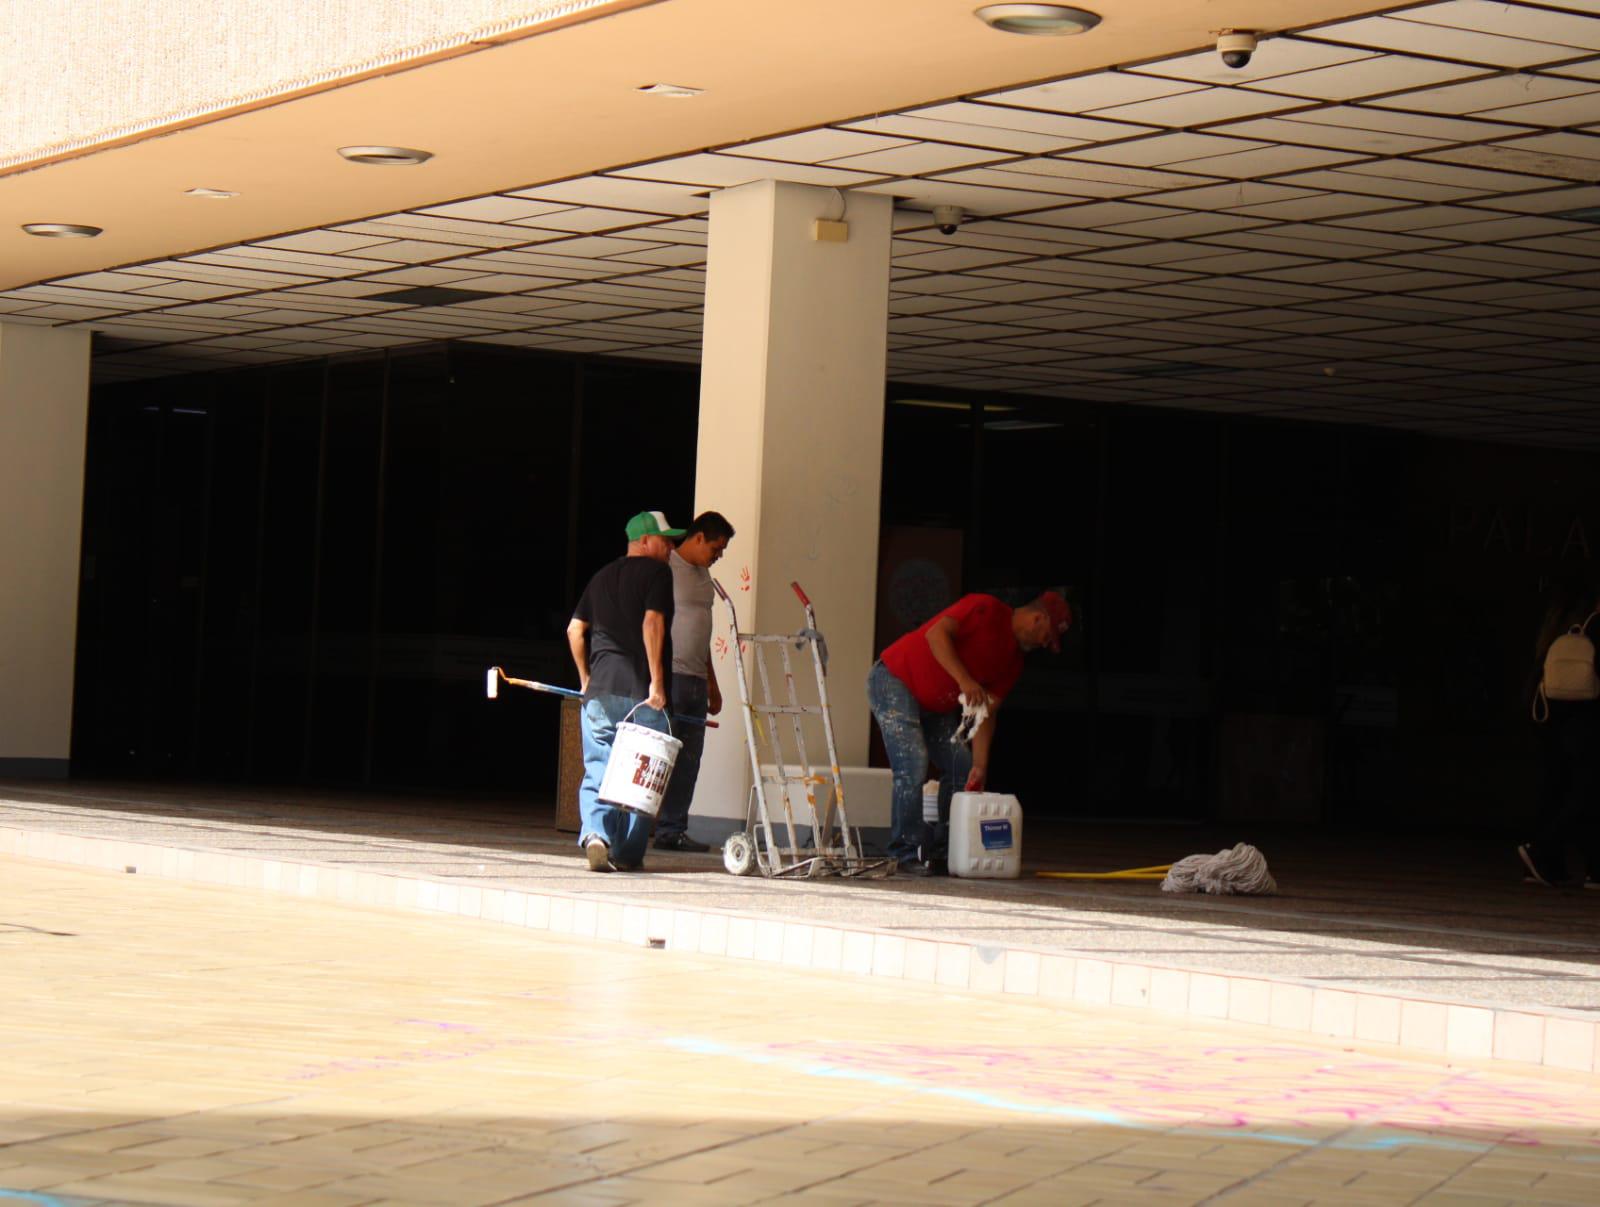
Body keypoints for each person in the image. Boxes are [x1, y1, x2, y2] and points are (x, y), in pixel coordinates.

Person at [869, 590, 1071, 875]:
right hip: (894, 680)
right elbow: (935, 635)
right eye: (1046, 637)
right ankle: (904, 852)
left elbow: (986, 711)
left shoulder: (1013, 662)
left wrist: (980, 765)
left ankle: (944, 850)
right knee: (913, 762)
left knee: (961, 768)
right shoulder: (985, 608)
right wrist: (964, 680)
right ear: (1038, 618)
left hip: (933, 705)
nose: (1043, 645)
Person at [567, 509, 684, 872]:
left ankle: (596, 835)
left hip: (600, 692)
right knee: (641, 775)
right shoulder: (657, 574)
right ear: (645, 541)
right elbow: (653, 622)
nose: (670, 549)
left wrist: (586, 680)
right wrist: (657, 683)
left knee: (599, 769)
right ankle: (629, 853)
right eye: (665, 542)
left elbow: (574, 630)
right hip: (641, 694)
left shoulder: (601, 576)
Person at [655, 511, 737, 853]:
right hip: (669, 677)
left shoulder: (705, 578)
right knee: (659, 754)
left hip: (695, 678)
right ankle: (641, 824)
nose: (717, 556)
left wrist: (712, 682)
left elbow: (704, 632)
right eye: (715, 548)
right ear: (699, 537)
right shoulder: (666, 567)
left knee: (690, 759)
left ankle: (673, 830)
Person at [1520, 572, 1600, 888]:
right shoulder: (1593, 626)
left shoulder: (1559, 627)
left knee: (1563, 791)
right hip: (1587, 723)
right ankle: (1543, 850)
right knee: (1584, 793)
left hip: (1554, 720)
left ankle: (1552, 862)